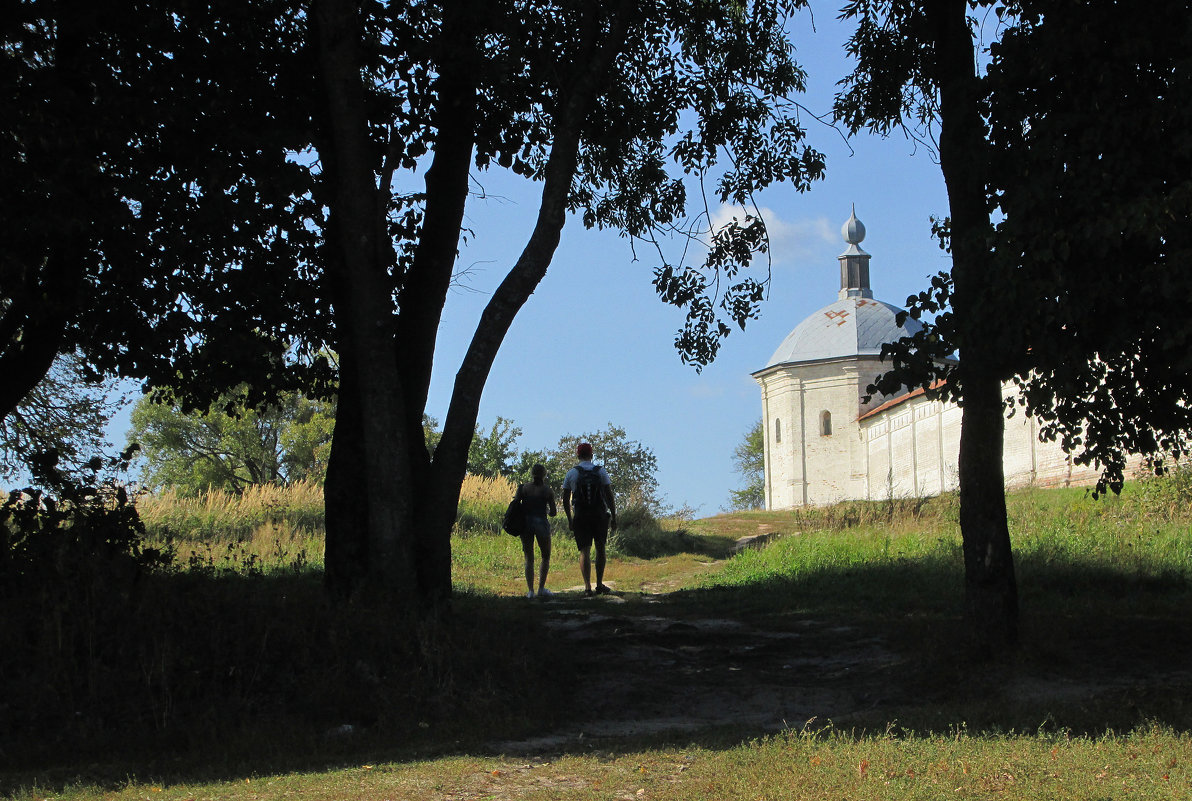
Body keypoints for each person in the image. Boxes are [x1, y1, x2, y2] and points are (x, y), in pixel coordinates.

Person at [562, 442, 616, 596]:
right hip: (599, 515)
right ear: (592, 455)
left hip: (581, 516)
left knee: (584, 551)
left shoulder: (572, 473)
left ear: (578, 455)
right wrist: (614, 516)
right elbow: (609, 495)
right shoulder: (600, 472)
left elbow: (565, 498)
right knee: (600, 548)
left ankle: (587, 587)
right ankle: (599, 584)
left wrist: (569, 519)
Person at [514, 463, 557, 599]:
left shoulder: (523, 488)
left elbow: (515, 504)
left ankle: (530, 591)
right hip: (541, 523)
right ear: (544, 474)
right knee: (545, 556)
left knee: (529, 557)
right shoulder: (547, 491)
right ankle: (541, 588)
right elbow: (553, 512)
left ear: (531, 473)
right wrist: (548, 512)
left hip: (525, 524)